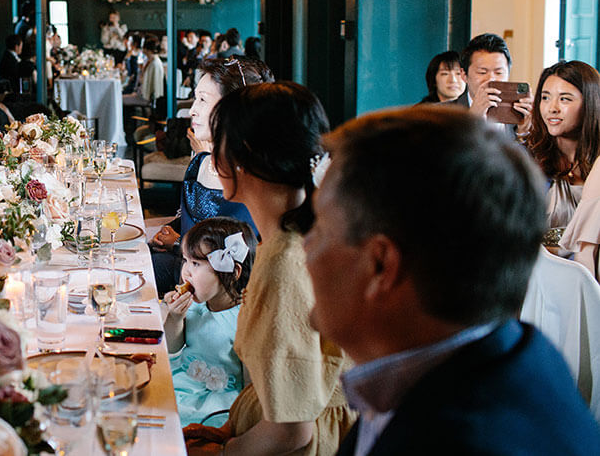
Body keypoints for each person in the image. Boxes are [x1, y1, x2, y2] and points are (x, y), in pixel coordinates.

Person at [307, 107, 600, 455]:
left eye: (320, 230)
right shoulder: (513, 356)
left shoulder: (462, 441)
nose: (306, 246)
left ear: (381, 265)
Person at [185, 82, 354, 456]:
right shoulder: (305, 233)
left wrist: (226, 452)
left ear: (242, 159)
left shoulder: (283, 265)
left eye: (219, 145)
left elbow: (292, 431)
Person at [150, 57, 268, 295]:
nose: (193, 110)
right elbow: (188, 221)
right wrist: (171, 235)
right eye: (196, 98)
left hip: (219, 293)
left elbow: (241, 259)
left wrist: (178, 245)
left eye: (203, 100)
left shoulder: (253, 179)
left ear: (234, 110)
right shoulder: (199, 163)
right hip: (182, 267)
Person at [164, 218, 256, 427]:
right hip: (183, 379)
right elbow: (172, 349)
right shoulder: (199, 304)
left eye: (196, 264)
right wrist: (175, 318)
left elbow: (251, 386)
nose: (186, 271)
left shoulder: (245, 319)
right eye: (186, 260)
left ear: (232, 273)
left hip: (217, 399)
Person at [524, 61, 600, 232]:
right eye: (545, 98)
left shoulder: (598, 162)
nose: (552, 108)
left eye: (564, 99)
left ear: (590, 103)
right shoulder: (525, 157)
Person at [456, 32, 532, 134]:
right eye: (482, 72)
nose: (491, 79)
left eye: (499, 72)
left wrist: (522, 133)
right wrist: (471, 121)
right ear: (464, 75)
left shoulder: (519, 116)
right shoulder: (440, 115)